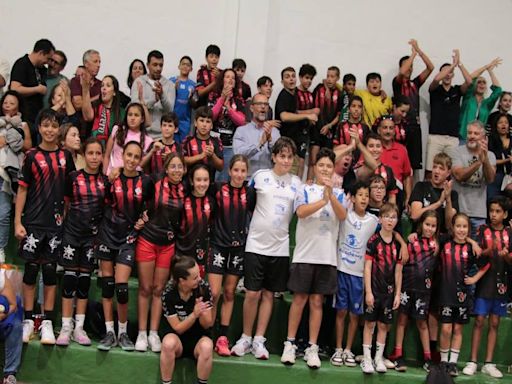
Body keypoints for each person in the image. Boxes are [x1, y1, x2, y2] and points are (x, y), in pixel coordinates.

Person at [231, 137, 301, 360]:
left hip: (279, 248)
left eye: (290, 157)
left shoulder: (297, 184)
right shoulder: (260, 178)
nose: (286, 160)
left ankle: (259, 340)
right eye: (282, 156)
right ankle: (245, 337)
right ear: (274, 156)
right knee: (252, 293)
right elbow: (248, 206)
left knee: (269, 295)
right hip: (255, 245)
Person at [280, 148, 347, 369]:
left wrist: (330, 195)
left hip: (327, 257)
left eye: (329, 166)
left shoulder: (339, 193)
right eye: (322, 166)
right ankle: (289, 344)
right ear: (315, 168)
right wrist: (322, 200)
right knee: (299, 300)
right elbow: (300, 212)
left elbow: (342, 215)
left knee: (317, 302)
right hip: (305, 254)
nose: (326, 169)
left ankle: (312, 347)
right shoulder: (305, 189)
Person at [15, 109, 75, 344]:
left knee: (50, 273)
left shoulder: (65, 157)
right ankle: (28, 320)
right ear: (39, 127)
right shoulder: (31, 157)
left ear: (59, 128)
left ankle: (47, 322)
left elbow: (69, 196)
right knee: (30, 272)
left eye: (54, 125)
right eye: (45, 125)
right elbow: (22, 190)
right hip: (32, 223)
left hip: (55, 226)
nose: (50, 130)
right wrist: (18, 221)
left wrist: (64, 221)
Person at [96, 141, 153, 351]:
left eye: (136, 157)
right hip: (107, 234)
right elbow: (102, 202)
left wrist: (144, 219)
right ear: (123, 156)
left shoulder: (145, 182)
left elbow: (151, 207)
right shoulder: (112, 178)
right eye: (128, 155)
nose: (131, 160)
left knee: (121, 288)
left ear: (140, 160)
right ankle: (109, 332)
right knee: (108, 285)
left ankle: (123, 332)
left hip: (128, 237)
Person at [56, 138, 106, 346]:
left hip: (91, 238)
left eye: (97, 153)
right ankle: (65, 327)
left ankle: (79, 327)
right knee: (69, 280)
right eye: (90, 153)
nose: (94, 157)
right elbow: (65, 205)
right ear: (84, 155)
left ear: (102, 156)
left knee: (84, 282)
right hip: (71, 234)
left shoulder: (106, 182)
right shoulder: (73, 177)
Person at [135, 153, 186, 353]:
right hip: (148, 240)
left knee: (158, 289)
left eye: (179, 166)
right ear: (165, 168)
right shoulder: (154, 182)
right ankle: (141, 332)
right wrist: (141, 218)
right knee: (145, 288)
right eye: (172, 166)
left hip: (168, 245)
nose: (176, 170)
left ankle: (153, 333)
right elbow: (139, 198)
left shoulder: (186, 189)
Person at [208, 155, 256, 356]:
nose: (239, 174)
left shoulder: (251, 192)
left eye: (243, 171)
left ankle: (222, 338)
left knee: (229, 293)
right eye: (236, 170)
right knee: (214, 293)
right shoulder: (218, 189)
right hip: (218, 246)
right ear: (229, 171)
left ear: (247, 173)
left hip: (238, 249)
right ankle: (207, 334)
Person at [331, 181, 378, 367]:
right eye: (360, 195)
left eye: (367, 195)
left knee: (354, 314)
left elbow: (389, 232)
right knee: (341, 311)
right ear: (353, 198)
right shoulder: (345, 216)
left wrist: (403, 243)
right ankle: (338, 348)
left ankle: (349, 349)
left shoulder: (374, 221)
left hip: (359, 275)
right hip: (342, 270)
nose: (364, 198)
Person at [463, 197, 512, 378]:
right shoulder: (483, 230)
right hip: (485, 283)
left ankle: (489, 363)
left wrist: (506, 256)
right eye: (491, 211)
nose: (493, 214)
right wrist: (487, 251)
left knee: (495, 322)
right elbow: (476, 256)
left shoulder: (509, 232)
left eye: (498, 211)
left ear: (505, 214)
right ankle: (473, 361)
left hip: (502, 284)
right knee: (479, 321)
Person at [438, 213, 489, 377]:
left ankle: (453, 363)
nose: (461, 230)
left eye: (464, 227)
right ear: (452, 228)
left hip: (463, 295)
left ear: (469, 229)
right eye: (458, 226)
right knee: (446, 329)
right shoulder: (445, 241)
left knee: (458, 329)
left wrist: (474, 278)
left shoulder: (472, 249)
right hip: (446, 293)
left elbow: (486, 264)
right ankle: (443, 361)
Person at [391, 211, 439, 372]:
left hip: (424, 292)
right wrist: (404, 243)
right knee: (402, 320)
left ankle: (427, 358)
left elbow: (458, 236)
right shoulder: (411, 242)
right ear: (420, 225)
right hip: (407, 288)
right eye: (427, 224)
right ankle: (398, 354)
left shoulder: (437, 244)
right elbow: (396, 236)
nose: (430, 228)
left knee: (422, 323)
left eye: (433, 226)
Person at [360, 203, 403, 374]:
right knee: (369, 324)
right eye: (386, 217)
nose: (390, 220)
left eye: (393, 217)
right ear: (380, 219)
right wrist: (368, 291)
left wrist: (398, 294)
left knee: (384, 326)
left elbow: (399, 272)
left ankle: (378, 358)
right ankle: (367, 358)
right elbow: (368, 268)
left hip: (389, 293)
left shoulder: (398, 245)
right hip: (374, 291)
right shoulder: (373, 241)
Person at [160, 256, 215, 384]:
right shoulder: (168, 292)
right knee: (168, 344)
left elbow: (207, 324)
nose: (200, 279)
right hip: (177, 339)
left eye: (199, 275)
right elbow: (178, 328)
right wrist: (194, 314)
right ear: (182, 281)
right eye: (195, 277)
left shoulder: (203, 288)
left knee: (207, 346)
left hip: (198, 339)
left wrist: (202, 312)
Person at [426, 50, 472, 177]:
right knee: (431, 171)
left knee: (451, 172)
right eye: (445, 72)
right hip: (436, 136)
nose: (447, 74)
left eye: (450, 72)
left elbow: (469, 82)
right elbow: (436, 79)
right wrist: (451, 66)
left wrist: (459, 64)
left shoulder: (456, 90)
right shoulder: (435, 89)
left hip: (452, 138)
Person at [392, 39, 434, 172]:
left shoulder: (415, 83)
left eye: (411, 66)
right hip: (401, 127)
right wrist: (413, 55)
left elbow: (430, 67)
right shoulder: (397, 83)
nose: (409, 68)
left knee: (413, 165)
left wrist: (419, 51)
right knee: (398, 163)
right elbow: (402, 73)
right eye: (406, 65)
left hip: (415, 128)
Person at [451, 120, 496, 238]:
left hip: (478, 213)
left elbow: (490, 179)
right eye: (469, 133)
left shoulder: (490, 155)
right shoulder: (457, 151)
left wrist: (485, 160)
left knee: (477, 251)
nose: (471, 136)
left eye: (476, 134)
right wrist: (478, 162)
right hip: (459, 211)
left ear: (484, 138)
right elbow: (459, 176)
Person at [275, 67, 318, 179]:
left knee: (297, 172)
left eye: (293, 76)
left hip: (296, 142)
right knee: (287, 175)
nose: (291, 79)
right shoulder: (283, 95)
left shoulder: (293, 95)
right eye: (287, 77)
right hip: (286, 144)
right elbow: (284, 116)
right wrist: (307, 115)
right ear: (282, 81)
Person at [176, 164, 215, 277]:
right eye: (198, 180)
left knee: (197, 288)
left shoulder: (212, 202)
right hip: (181, 253)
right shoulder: (183, 201)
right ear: (192, 181)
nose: (202, 184)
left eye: (205, 180)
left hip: (201, 254)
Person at [9, 39, 55, 131]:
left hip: (37, 116)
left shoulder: (41, 69)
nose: (48, 62)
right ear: (41, 53)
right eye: (48, 58)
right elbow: (14, 89)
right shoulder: (22, 64)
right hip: (23, 116)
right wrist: (37, 89)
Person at [210, 69, 246, 182]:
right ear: (222, 79)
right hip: (213, 144)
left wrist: (229, 108)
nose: (230, 79)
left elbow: (242, 121)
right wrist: (222, 98)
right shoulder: (213, 96)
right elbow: (210, 116)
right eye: (227, 76)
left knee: (223, 180)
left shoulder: (239, 100)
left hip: (229, 146)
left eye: (233, 78)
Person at [233, 93, 280, 177]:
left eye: (266, 104)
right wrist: (259, 144)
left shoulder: (275, 131)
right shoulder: (241, 131)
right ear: (251, 108)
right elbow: (238, 154)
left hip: (268, 181)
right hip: (247, 180)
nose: (263, 107)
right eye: (259, 104)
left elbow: (280, 157)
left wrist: (270, 141)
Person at [131, 50, 175, 139]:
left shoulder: (169, 85)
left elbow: (170, 111)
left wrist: (162, 95)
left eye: (161, 65)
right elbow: (135, 108)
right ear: (148, 65)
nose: (158, 68)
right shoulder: (138, 82)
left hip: (162, 137)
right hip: (141, 134)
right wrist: (153, 100)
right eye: (155, 65)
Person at [308, 66, 342, 179]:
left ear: (337, 78)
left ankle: (323, 186)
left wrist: (329, 125)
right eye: (328, 76)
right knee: (313, 160)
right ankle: (309, 183)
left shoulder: (340, 93)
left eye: (332, 76)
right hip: (316, 129)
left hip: (329, 132)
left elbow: (339, 115)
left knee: (326, 162)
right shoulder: (319, 88)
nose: (329, 79)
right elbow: (312, 105)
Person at [103, 102, 153, 176]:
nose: (132, 118)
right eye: (130, 115)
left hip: (133, 179)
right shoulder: (117, 130)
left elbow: (141, 164)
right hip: (112, 175)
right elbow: (107, 155)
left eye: (136, 115)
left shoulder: (147, 140)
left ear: (142, 119)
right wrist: (105, 175)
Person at [459, 57, 502, 140]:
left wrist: (490, 71)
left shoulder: (487, 103)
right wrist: (486, 67)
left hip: (479, 140)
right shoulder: (468, 98)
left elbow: (498, 90)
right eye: (479, 82)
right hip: (464, 137)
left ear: (486, 87)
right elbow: (470, 78)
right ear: (475, 85)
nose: (481, 84)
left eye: (484, 83)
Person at [377, 116, 412, 212]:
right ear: (379, 130)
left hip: (397, 195)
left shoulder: (402, 149)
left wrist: (408, 197)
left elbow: (407, 176)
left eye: (391, 128)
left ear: (394, 131)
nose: (388, 131)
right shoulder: (373, 148)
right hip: (376, 194)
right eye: (385, 128)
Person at [82, 75, 125, 147]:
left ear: (114, 92)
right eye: (102, 86)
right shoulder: (96, 106)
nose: (104, 88)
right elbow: (87, 117)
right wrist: (85, 90)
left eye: (108, 86)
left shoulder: (122, 112)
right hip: (95, 150)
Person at [182, 106, 224, 181]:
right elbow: (182, 161)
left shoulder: (216, 141)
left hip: (210, 184)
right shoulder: (188, 140)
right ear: (195, 123)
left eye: (208, 122)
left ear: (211, 126)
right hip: (190, 184)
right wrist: (201, 156)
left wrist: (212, 155)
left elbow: (220, 167)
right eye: (201, 120)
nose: (204, 125)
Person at [0, 269, 23, 384]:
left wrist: (3, 315)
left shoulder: (1, 277)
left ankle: (9, 374)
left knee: (16, 326)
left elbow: (13, 305)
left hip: (2, 321)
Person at [170, 56, 196, 143]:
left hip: (185, 123)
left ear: (191, 69)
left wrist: (192, 97)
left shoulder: (193, 85)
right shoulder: (172, 81)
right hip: (171, 121)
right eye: (183, 64)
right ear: (179, 66)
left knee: (183, 149)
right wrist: (173, 90)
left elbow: (194, 105)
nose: (185, 66)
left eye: (188, 65)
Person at [487, 114, 511, 199]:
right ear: (496, 125)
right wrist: (508, 160)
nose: (503, 124)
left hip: (510, 178)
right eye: (500, 122)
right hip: (495, 176)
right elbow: (489, 161)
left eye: (506, 122)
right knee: (492, 201)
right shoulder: (490, 140)